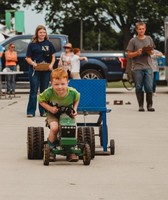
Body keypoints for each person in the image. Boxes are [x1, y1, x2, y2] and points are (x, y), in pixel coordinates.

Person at [38, 68, 80, 162]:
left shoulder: (72, 92)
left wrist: (75, 109)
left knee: (72, 128)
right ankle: (51, 149)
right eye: (56, 84)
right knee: (54, 128)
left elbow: (77, 98)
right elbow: (40, 100)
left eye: (62, 84)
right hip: (53, 114)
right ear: (51, 83)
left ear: (67, 82)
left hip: (67, 113)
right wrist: (50, 108)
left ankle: (71, 150)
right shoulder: (49, 92)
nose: (60, 87)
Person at [26, 25, 56, 117]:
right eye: (40, 32)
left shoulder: (49, 44)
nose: (42, 34)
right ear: (37, 33)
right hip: (35, 70)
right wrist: (33, 63)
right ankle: (31, 111)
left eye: (44, 32)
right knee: (34, 91)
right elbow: (28, 58)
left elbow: (53, 57)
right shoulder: (32, 44)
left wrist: (51, 65)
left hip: (46, 70)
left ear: (46, 33)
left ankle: (43, 111)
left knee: (44, 91)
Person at [127, 22, 155, 112]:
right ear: (136, 30)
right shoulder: (133, 41)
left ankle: (149, 105)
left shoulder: (149, 39)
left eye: (143, 29)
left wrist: (150, 52)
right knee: (139, 87)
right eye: (139, 29)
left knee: (149, 87)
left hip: (148, 66)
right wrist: (137, 53)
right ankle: (141, 105)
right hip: (137, 68)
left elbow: (152, 51)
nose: (141, 30)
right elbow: (129, 55)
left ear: (145, 29)